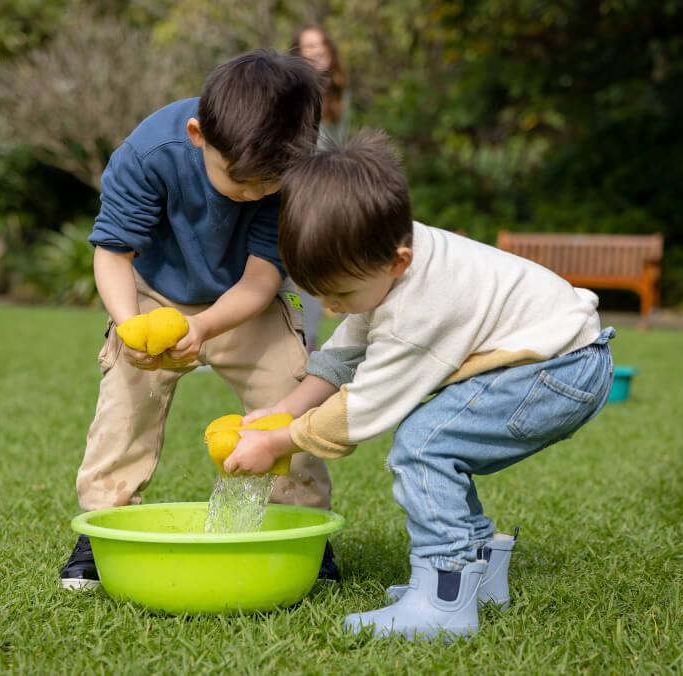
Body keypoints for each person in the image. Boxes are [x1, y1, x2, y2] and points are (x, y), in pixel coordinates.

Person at [223, 132, 614, 640]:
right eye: (321, 296)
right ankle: (479, 576)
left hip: (562, 370)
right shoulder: (385, 254)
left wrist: (278, 442)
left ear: (398, 262)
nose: (334, 308)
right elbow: (346, 352)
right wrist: (286, 410)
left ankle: (444, 598)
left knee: (423, 444)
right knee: (435, 438)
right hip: (558, 358)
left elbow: (362, 410)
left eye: (341, 294)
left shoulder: (416, 309)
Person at [60, 50, 337, 590]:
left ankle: (302, 527)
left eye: (269, 185)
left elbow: (261, 279)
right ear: (197, 135)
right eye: (241, 181)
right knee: (125, 401)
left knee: (287, 392)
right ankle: (103, 527)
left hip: (245, 300)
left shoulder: (290, 170)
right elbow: (113, 252)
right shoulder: (149, 152)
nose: (255, 194)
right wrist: (129, 325)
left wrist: (204, 327)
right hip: (153, 294)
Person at [291, 25, 351, 352]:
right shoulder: (293, 89)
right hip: (302, 187)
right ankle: (306, 341)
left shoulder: (341, 93)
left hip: (332, 187)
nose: (316, 51)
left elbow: (342, 141)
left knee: (338, 264)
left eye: (320, 44)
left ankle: (349, 343)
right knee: (306, 268)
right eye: (308, 46)